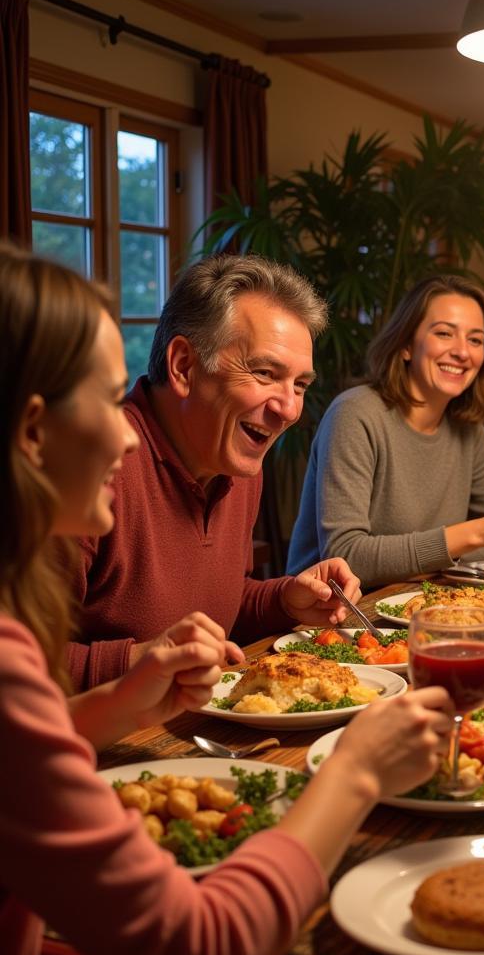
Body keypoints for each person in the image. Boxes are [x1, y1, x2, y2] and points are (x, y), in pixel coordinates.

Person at [0, 244, 455, 955]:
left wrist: (276, 599)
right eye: (105, 400)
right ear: (33, 431)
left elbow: (25, 746)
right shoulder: (74, 516)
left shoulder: (230, 457)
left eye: (298, 381)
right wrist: (355, 769)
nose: (123, 434)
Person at [69, 254, 364, 690]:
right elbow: (16, 664)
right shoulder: (89, 463)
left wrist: (285, 599)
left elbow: (216, 606)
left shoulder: (237, 457)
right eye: (265, 373)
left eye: (300, 385)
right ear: (184, 366)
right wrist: (139, 661)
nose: (288, 409)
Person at [287, 275, 484, 588]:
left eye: (475, 340)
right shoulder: (355, 414)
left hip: (419, 604)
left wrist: (456, 546)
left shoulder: (466, 428)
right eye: (444, 333)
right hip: (330, 617)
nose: (462, 352)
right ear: (405, 345)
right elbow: (346, 556)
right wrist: (472, 535)